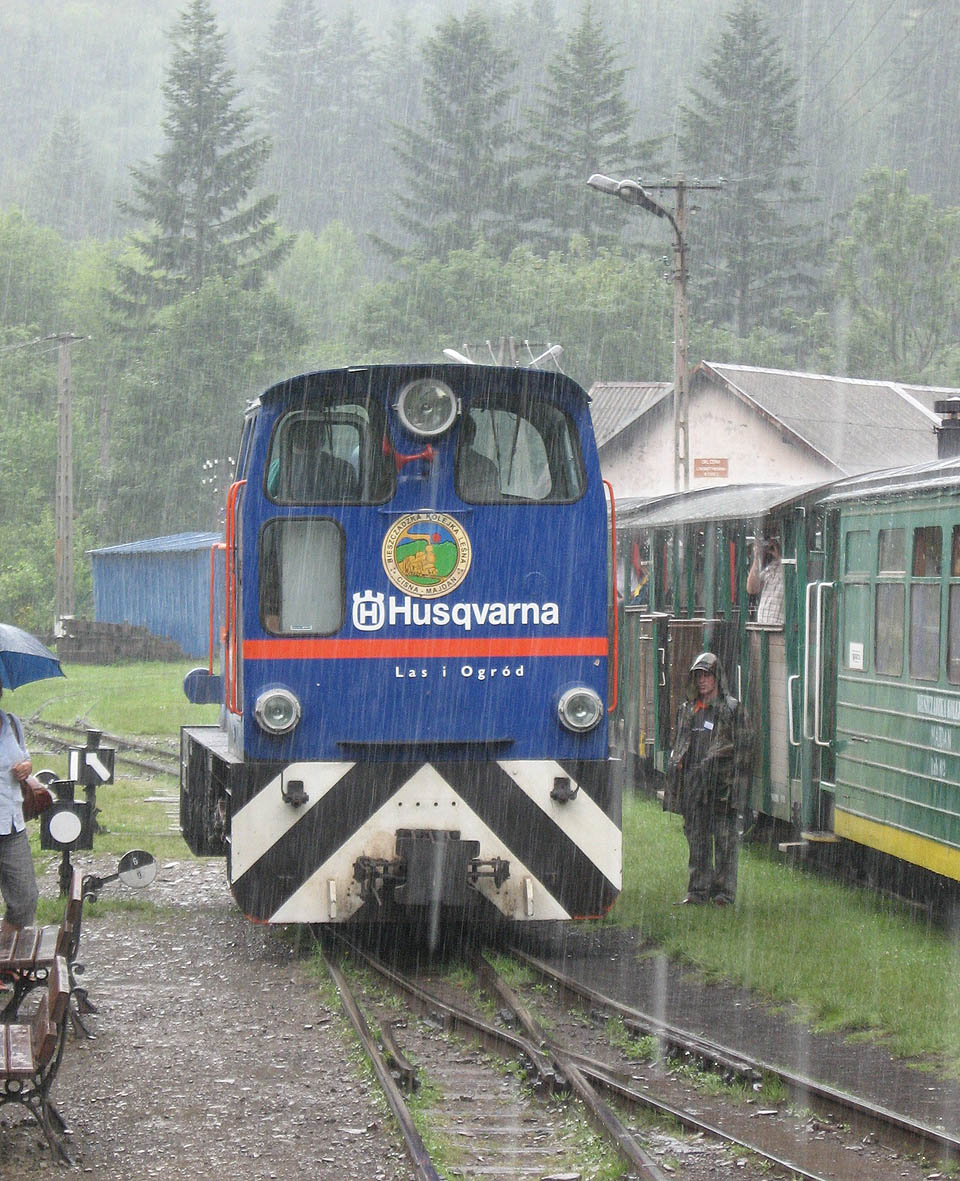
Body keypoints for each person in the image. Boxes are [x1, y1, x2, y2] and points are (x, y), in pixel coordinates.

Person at [666, 652, 754, 906]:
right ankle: (698, 891)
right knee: (697, 841)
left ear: (718, 678)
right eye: (699, 676)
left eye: (707, 675)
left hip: (721, 787)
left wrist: (736, 789)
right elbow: (679, 745)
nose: (703, 681)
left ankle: (723, 894)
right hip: (694, 786)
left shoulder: (732, 710)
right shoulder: (688, 710)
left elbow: (745, 751)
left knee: (725, 842)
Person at [0, 676, 40, 943]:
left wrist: (27, 766)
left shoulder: (11, 723)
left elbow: (23, 756)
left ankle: (4, 958)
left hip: (11, 824)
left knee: (25, 898)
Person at [747, 535, 784, 626]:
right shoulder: (771, 567)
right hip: (763, 625)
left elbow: (793, 579)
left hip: (781, 627)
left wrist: (779, 556)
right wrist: (757, 558)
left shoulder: (791, 566)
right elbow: (752, 589)